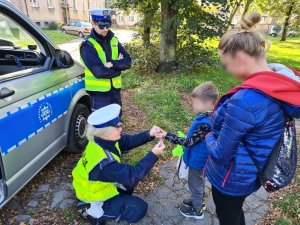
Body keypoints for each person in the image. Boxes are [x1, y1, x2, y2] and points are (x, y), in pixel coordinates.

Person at [205, 13, 300, 225]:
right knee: (235, 214)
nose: (227, 70)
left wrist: (208, 136)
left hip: (230, 179)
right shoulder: (278, 85)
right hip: (249, 173)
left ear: (240, 58)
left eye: (226, 63)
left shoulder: (246, 100)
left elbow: (221, 154)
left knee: (227, 218)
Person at [72, 104, 165, 225]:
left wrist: (149, 134)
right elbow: (133, 175)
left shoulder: (100, 139)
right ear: (105, 133)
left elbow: (126, 141)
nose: (121, 128)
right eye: (117, 127)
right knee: (140, 208)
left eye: (119, 124)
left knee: (126, 183)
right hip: (92, 197)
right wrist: (154, 154)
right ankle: (90, 212)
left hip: (97, 186)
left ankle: (116, 201)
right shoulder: (105, 164)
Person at [159, 82, 219, 219]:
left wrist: (167, 135)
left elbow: (188, 142)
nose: (192, 105)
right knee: (199, 182)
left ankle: (197, 210)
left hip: (198, 160)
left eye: (195, 102)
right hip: (202, 157)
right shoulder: (209, 115)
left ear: (208, 103)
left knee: (195, 184)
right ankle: (199, 201)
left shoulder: (205, 123)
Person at [80, 8, 131, 112]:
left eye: (107, 25)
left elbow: (128, 62)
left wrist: (111, 63)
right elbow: (99, 72)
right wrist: (118, 67)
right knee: (102, 126)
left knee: (117, 122)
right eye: (101, 25)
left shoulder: (114, 40)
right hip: (99, 95)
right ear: (93, 23)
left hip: (115, 92)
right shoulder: (87, 45)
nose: (105, 29)